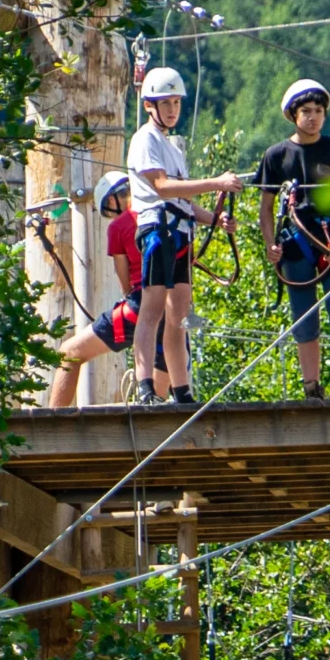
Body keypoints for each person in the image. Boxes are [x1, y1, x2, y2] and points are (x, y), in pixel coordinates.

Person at [127, 65, 242, 406]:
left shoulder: (173, 147)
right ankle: (145, 385)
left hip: (179, 232)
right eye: (167, 103)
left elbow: (184, 203)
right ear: (150, 105)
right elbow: (162, 188)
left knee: (178, 317)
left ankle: (182, 390)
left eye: (177, 102)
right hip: (158, 231)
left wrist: (214, 220)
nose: (173, 109)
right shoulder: (145, 139)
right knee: (152, 312)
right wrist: (216, 183)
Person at [254, 78, 330, 401]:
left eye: (318, 111)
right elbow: (266, 207)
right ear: (293, 114)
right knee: (304, 321)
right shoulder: (276, 157)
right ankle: (311, 389)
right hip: (296, 246)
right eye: (306, 111)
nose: (313, 117)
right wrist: (271, 245)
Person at [46, 172, 166, 407]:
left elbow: (126, 282)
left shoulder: (119, 226)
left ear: (112, 201)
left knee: (69, 353)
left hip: (140, 305)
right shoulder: (161, 214)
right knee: (158, 396)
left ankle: (52, 425)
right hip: (170, 307)